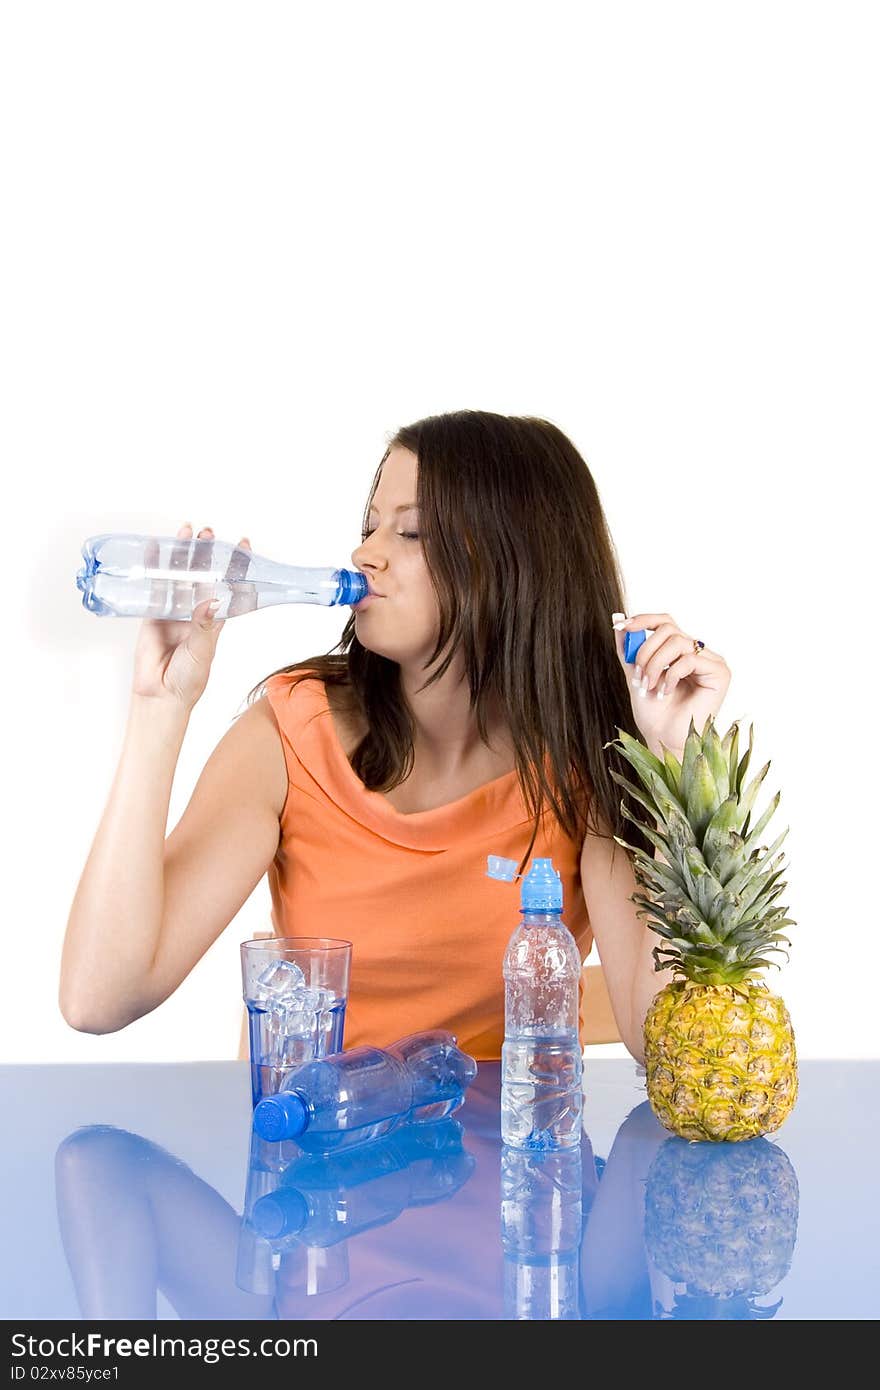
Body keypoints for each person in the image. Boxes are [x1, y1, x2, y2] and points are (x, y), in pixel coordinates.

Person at [60, 409, 731, 1062]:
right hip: (319, 1162)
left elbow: (666, 1042)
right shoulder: (292, 736)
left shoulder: (588, 766)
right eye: (370, 525)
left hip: (523, 1163)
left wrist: (672, 758)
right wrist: (161, 705)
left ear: (515, 562)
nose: (363, 553)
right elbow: (98, 998)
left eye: (409, 534)